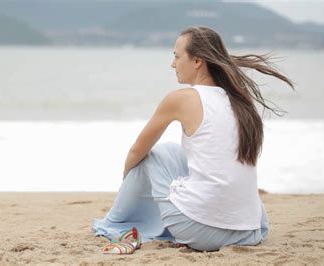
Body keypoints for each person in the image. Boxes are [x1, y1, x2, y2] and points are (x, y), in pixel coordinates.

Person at [92, 26, 295, 252]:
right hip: (252, 231)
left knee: (154, 154)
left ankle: (114, 220)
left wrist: (128, 183)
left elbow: (136, 151)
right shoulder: (239, 101)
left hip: (198, 230)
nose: (172, 64)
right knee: (176, 153)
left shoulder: (181, 99)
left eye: (177, 57)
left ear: (197, 61)